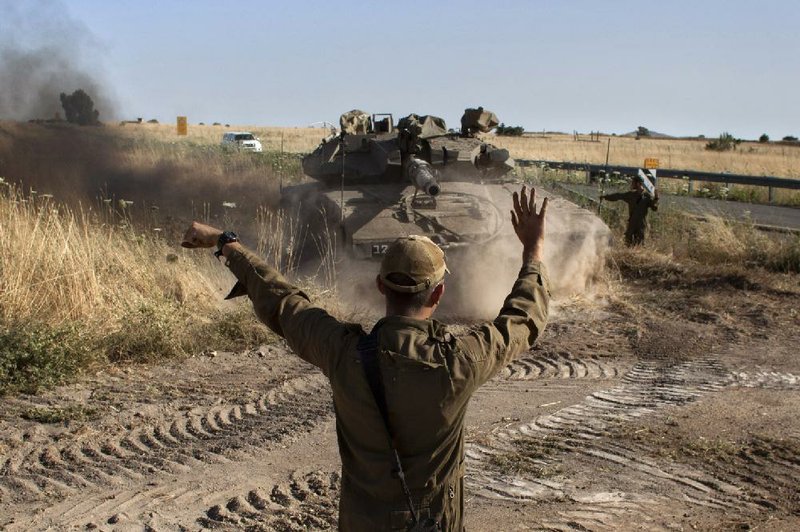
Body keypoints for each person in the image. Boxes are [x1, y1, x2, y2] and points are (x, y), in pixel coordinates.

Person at [181, 185, 550, 531]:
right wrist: (533, 250)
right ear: (438, 294)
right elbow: (522, 319)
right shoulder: (459, 362)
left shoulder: (343, 352)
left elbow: (282, 301)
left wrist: (226, 244)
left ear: (380, 287)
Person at [601, 176, 659, 246]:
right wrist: (606, 197)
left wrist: (656, 198)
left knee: (640, 245)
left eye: (633, 182)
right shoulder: (631, 195)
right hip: (632, 223)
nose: (632, 184)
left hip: (641, 225)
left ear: (638, 184)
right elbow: (618, 196)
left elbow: (654, 208)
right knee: (628, 243)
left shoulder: (647, 197)